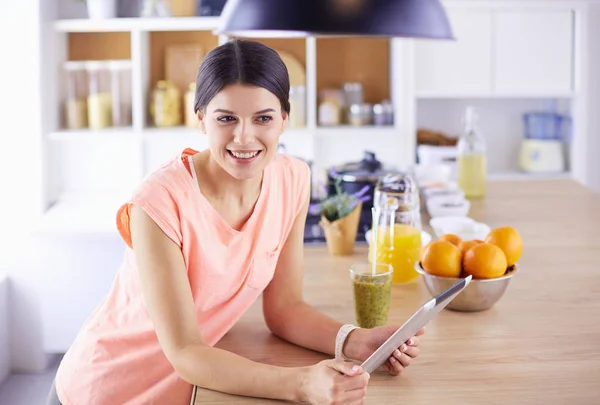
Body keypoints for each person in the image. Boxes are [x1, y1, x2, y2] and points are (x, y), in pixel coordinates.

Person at [47, 39, 425, 405]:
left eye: (263, 118)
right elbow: (185, 352)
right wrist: (302, 384)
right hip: (108, 388)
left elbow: (285, 308)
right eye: (226, 118)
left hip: (193, 389)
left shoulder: (293, 179)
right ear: (200, 120)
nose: (244, 138)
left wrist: (355, 341)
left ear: (284, 120)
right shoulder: (158, 202)